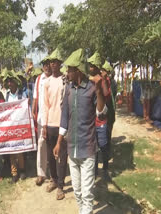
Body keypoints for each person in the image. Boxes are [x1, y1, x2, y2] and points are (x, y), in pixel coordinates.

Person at [53, 48, 107, 214]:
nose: (66, 72)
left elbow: (101, 113)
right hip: (72, 148)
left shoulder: (92, 88)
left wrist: (99, 91)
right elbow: (64, 118)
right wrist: (59, 142)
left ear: (77, 71)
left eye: (69, 69)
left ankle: (87, 211)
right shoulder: (69, 89)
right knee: (77, 190)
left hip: (88, 148)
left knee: (87, 192)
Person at [42, 49, 68, 200]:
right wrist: (44, 126)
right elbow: (45, 105)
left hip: (62, 124)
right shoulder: (47, 82)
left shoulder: (65, 80)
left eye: (55, 62)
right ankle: (53, 179)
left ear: (60, 63)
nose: (52, 64)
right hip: (50, 123)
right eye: (51, 62)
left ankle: (61, 186)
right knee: (51, 156)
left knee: (62, 156)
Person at [87, 52, 111, 180]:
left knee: (102, 145)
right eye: (89, 65)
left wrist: (102, 83)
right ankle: (95, 172)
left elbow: (107, 96)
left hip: (101, 119)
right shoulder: (87, 79)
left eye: (92, 66)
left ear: (96, 67)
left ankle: (106, 167)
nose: (90, 68)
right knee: (94, 147)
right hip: (91, 120)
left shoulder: (102, 79)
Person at [32, 56, 52, 186]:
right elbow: (35, 97)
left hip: (54, 117)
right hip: (41, 117)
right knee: (41, 144)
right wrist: (34, 111)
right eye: (44, 64)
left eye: (48, 64)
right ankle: (41, 173)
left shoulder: (58, 78)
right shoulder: (39, 79)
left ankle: (54, 174)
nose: (46, 66)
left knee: (54, 144)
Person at [4, 71, 27, 183]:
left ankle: (22, 170)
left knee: (20, 150)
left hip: (20, 124)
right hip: (10, 126)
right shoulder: (7, 95)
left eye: (11, 81)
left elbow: (25, 107)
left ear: (16, 83)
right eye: (8, 82)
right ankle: (14, 173)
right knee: (11, 151)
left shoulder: (22, 94)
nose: (10, 83)